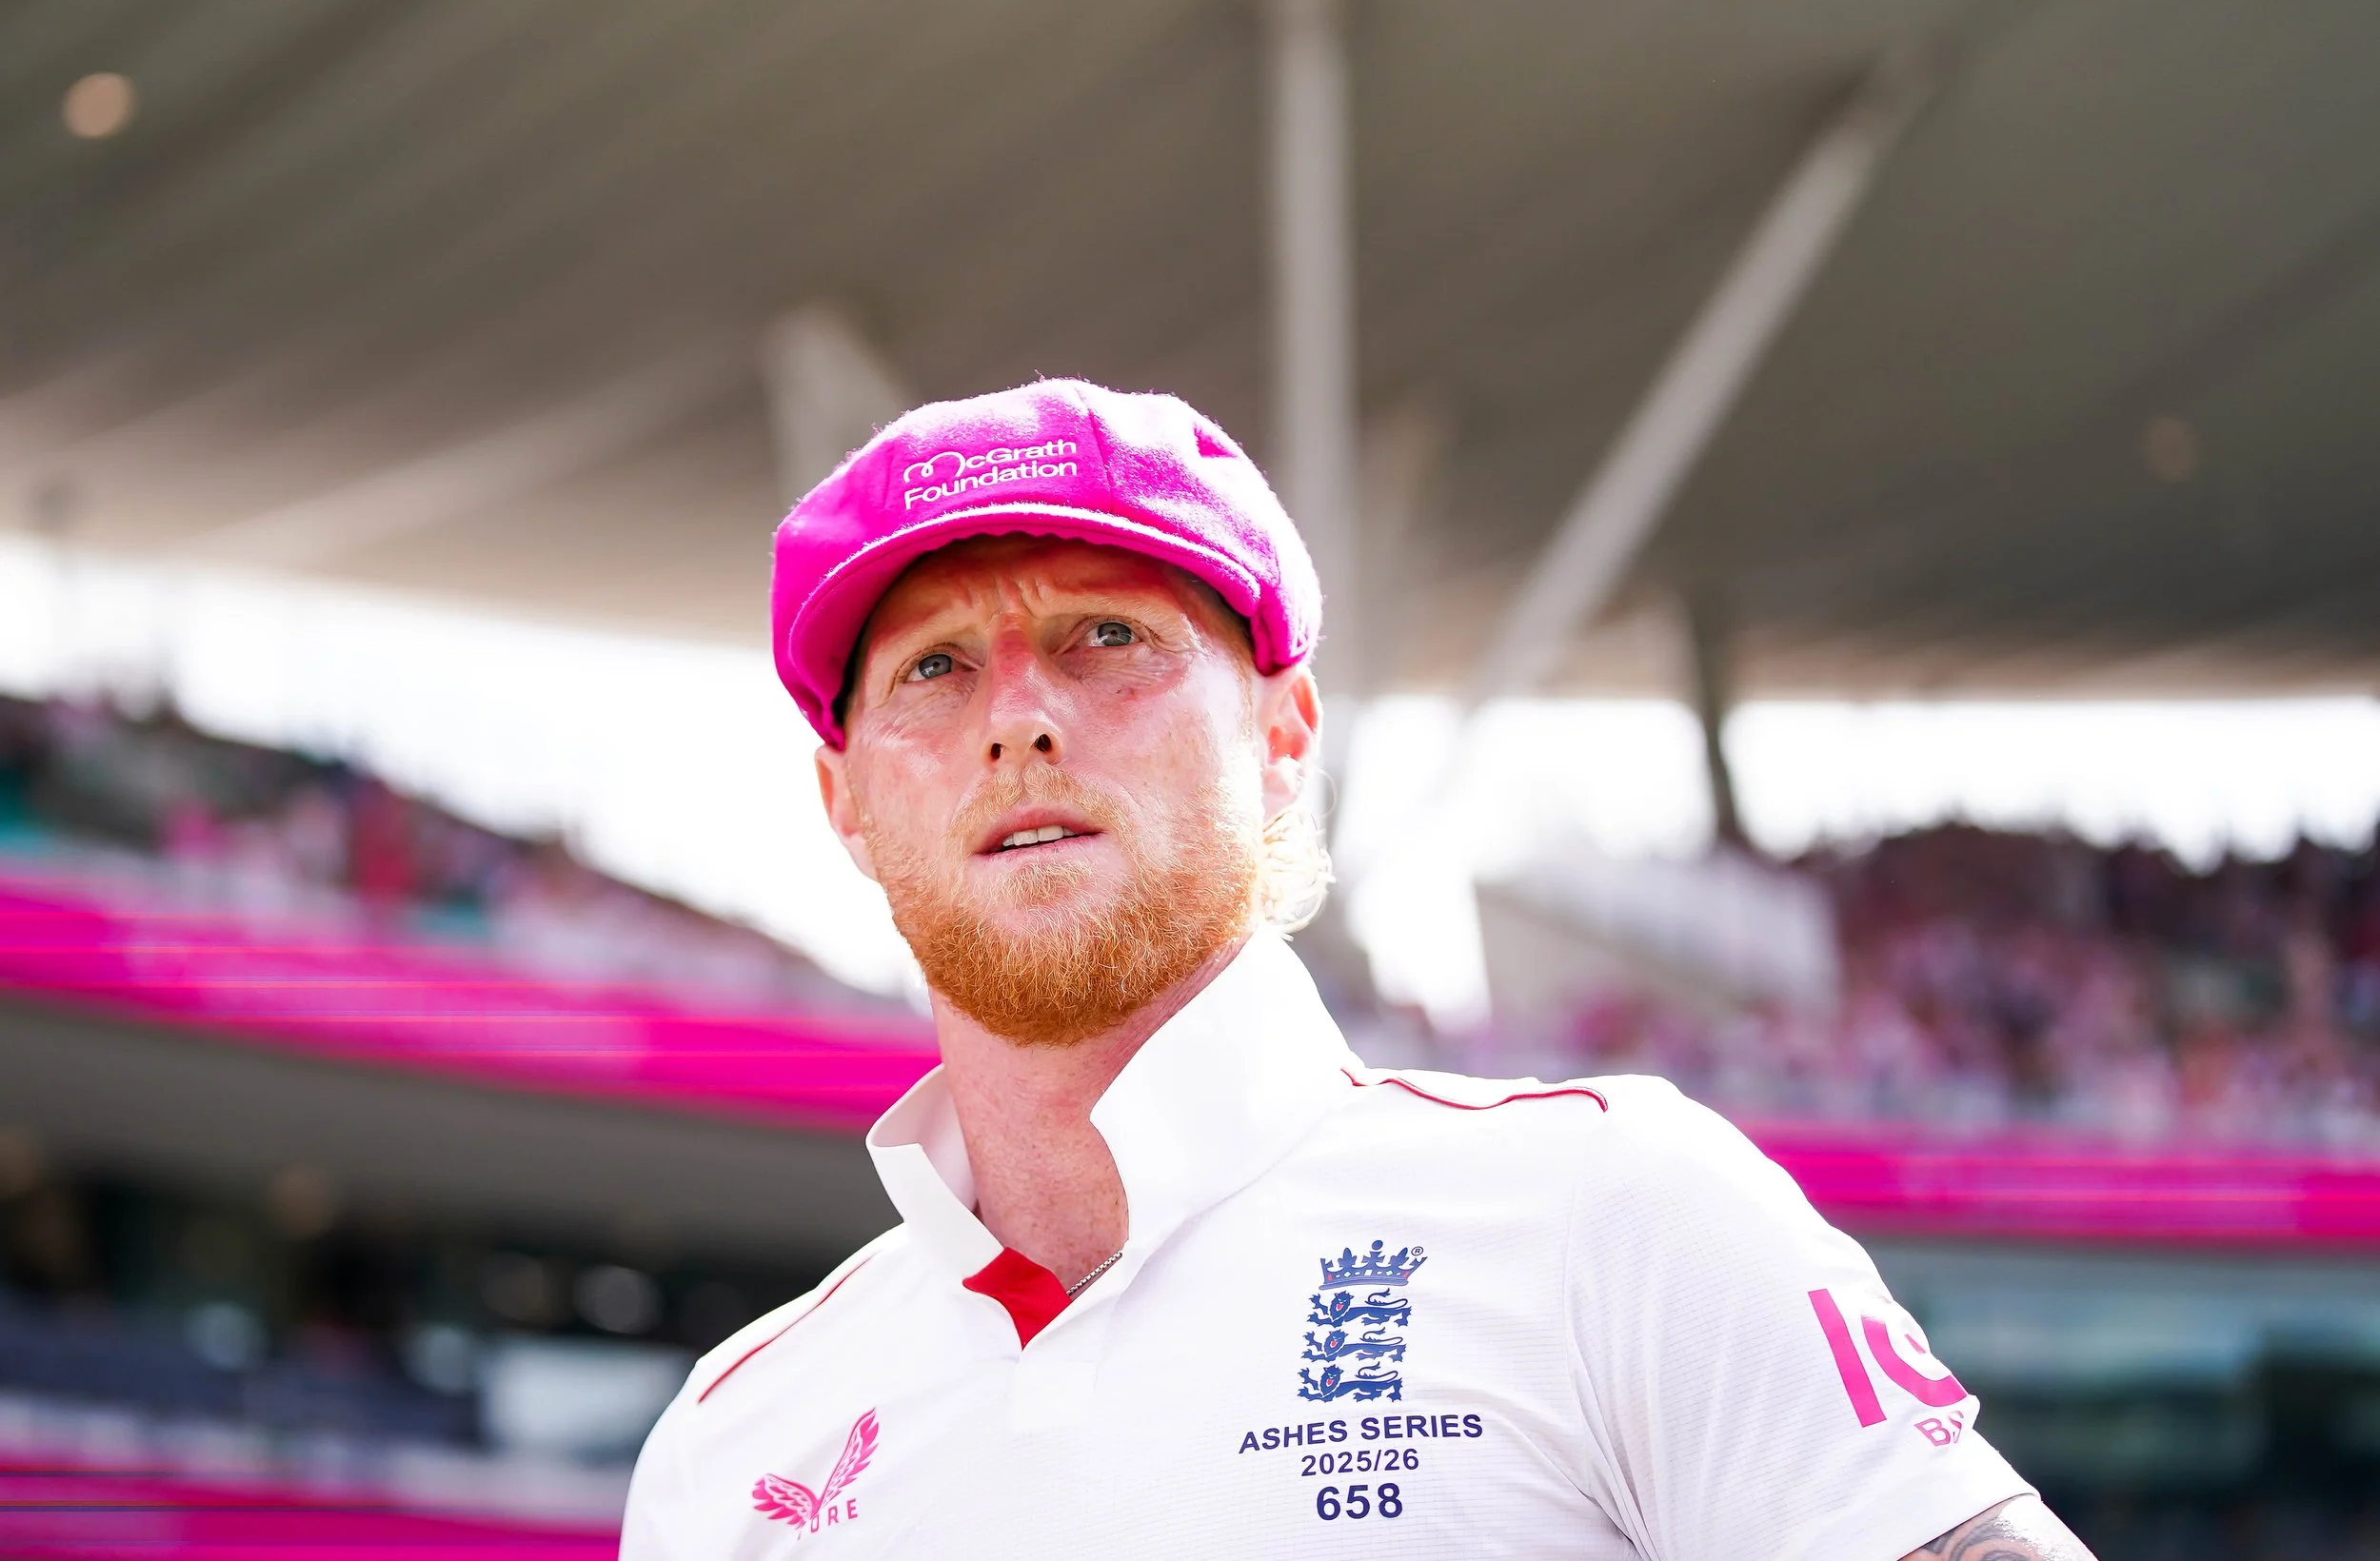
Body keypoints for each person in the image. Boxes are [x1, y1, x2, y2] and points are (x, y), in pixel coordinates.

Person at [623, 379, 2092, 1559]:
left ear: (1281, 736)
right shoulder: (733, 1448)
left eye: (1107, 634)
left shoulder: (1612, 1209)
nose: (1019, 718)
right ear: (846, 805)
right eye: (934, 667)